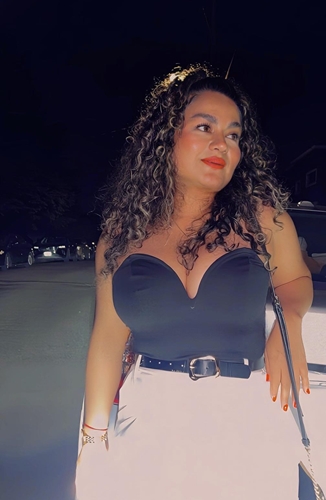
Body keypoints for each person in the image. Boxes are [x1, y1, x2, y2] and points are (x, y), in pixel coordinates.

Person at [75, 64, 313, 500]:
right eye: (205, 127)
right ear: (166, 137)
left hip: (245, 421)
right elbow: (108, 338)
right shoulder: (121, 235)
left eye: (234, 135)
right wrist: (92, 440)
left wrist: (288, 327)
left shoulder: (263, 219)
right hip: (148, 424)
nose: (222, 144)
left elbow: (295, 278)